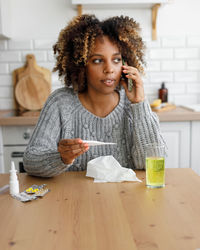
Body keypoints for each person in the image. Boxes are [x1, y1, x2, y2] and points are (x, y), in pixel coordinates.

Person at [23, 14, 166, 177]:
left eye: (116, 59)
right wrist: (61, 158)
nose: (109, 69)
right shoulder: (60, 103)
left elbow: (154, 164)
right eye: (98, 60)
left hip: (125, 199)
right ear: (80, 65)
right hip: (74, 200)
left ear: (126, 64)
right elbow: (31, 162)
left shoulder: (133, 105)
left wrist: (139, 104)